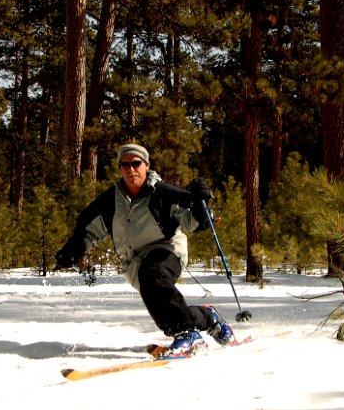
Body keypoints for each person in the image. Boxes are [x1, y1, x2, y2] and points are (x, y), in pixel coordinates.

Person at [54, 143, 236, 357]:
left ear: (146, 165)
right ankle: (208, 318)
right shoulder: (111, 201)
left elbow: (194, 222)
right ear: (120, 168)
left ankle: (187, 334)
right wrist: (73, 251)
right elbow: (89, 228)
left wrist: (201, 201)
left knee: (153, 274)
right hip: (134, 262)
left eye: (136, 163)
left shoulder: (163, 193)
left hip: (167, 249)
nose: (131, 169)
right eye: (125, 165)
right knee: (159, 300)